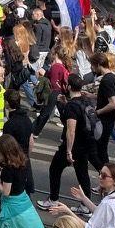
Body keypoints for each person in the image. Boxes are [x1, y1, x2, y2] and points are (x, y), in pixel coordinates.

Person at [38, 74, 95, 215]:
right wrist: (64, 104)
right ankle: (87, 205)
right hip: (86, 144)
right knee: (83, 174)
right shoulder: (85, 101)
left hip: (73, 146)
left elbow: (71, 130)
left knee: (55, 169)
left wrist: (69, 151)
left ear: (69, 86)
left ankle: (53, 199)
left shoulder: (72, 106)